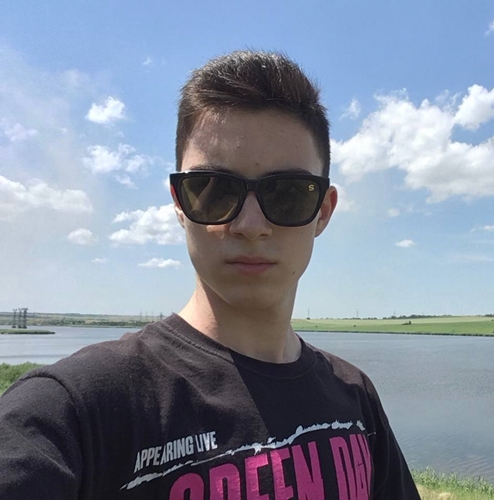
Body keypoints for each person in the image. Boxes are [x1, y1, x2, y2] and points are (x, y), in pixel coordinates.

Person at [0, 50, 420, 499]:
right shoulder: (74, 411)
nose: (251, 225)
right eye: (215, 190)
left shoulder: (355, 399)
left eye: (288, 193)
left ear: (323, 211)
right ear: (179, 203)